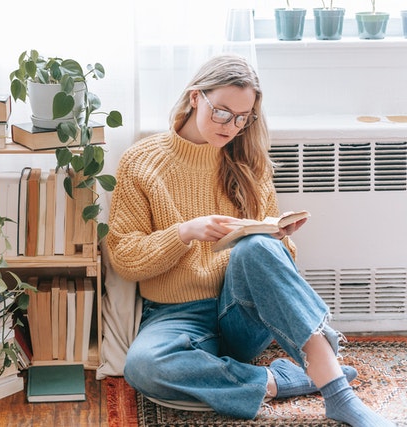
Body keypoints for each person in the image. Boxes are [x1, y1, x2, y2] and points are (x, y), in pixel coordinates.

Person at [105, 54, 394, 427]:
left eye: (243, 118)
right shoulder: (141, 162)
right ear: (196, 98)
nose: (232, 126)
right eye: (223, 112)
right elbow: (125, 259)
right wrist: (184, 233)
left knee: (257, 246)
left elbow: (274, 268)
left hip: (241, 309)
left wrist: (279, 240)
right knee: (144, 366)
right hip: (176, 316)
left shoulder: (249, 163)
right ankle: (281, 379)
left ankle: (339, 395)